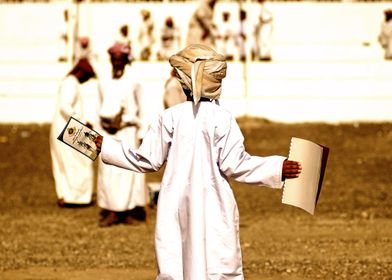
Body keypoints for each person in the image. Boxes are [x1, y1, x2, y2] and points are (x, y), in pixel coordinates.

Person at [94, 44, 302, 278]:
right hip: (214, 203)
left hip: (176, 204)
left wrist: (106, 146)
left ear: (185, 83)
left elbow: (146, 159)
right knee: (217, 264)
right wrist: (277, 167)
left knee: (177, 262)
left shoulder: (170, 117)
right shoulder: (222, 118)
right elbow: (237, 164)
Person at [96, 42, 146, 227]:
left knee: (127, 171)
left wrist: (142, 132)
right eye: (113, 59)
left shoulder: (134, 80)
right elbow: (97, 107)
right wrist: (97, 133)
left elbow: (143, 106)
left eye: (119, 60)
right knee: (108, 171)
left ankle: (128, 211)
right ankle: (111, 211)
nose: (116, 63)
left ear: (125, 60)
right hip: (107, 132)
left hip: (127, 131)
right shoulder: (103, 80)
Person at [50, 58, 97, 207]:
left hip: (65, 126)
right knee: (78, 162)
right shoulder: (71, 83)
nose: (86, 80)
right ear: (80, 72)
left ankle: (66, 195)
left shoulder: (69, 82)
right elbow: (65, 106)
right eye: (87, 76)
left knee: (66, 163)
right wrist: (83, 121)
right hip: (69, 128)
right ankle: (76, 197)